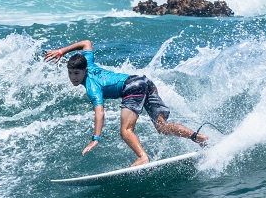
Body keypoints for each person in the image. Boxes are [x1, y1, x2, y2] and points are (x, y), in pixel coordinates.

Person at [44, 39, 208, 166]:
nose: (74, 77)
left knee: (126, 131)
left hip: (131, 87)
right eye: (71, 73)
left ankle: (142, 157)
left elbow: (100, 112)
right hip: (143, 81)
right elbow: (86, 43)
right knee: (162, 126)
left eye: (77, 73)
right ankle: (198, 137)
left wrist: (96, 138)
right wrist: (61, 51)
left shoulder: (92, 87)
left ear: (84, 70)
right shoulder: (88, 61)